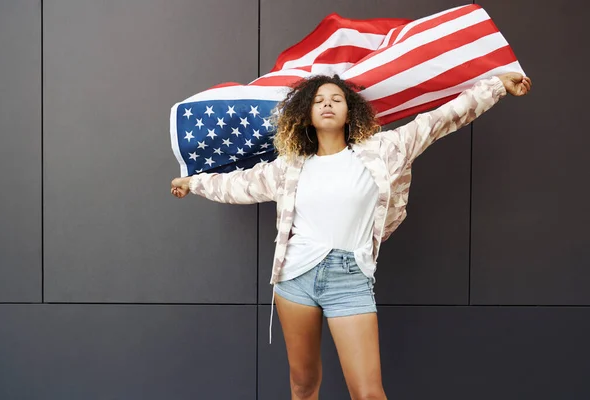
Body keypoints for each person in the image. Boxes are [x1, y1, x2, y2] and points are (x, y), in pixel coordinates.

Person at [170, 72, 532, 400]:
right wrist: (194, 183)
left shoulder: (384, 151)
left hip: (350, 278)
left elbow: (440, 120)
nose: (327, 104)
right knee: (303, 385)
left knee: (368, 393)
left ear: (351, 111)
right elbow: (240, 184)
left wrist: (497, 86)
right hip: (295, 278)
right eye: (318, 100)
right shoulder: (291, 166)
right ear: (306, 114)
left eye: (336, 99)